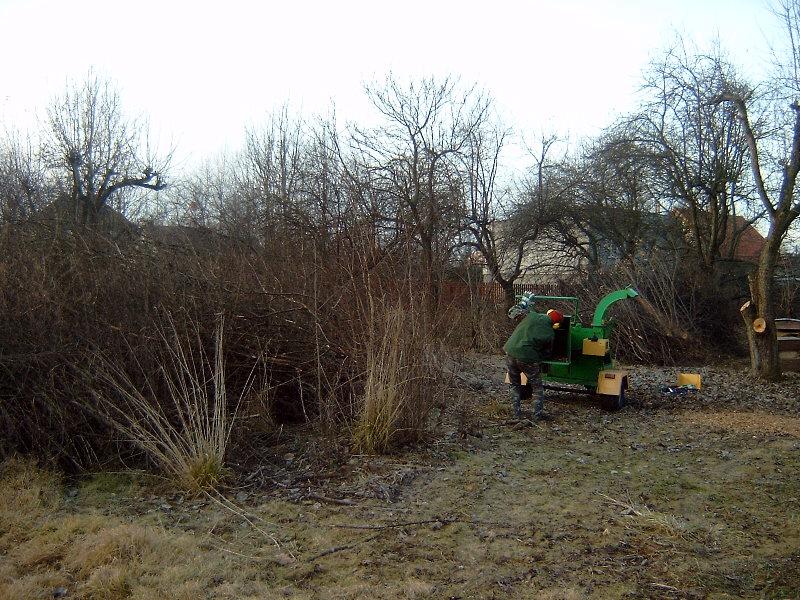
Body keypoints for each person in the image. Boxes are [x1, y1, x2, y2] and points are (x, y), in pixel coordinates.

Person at [504, 307, 564, 419]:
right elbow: (547, 353)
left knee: (514, 385)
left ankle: (515, 414)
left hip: (510, 352)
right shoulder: (550, 333)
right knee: (537, 387)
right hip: (527, 358)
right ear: (555, 323)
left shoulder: (531, 315)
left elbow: (516, 312)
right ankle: (537, 415)